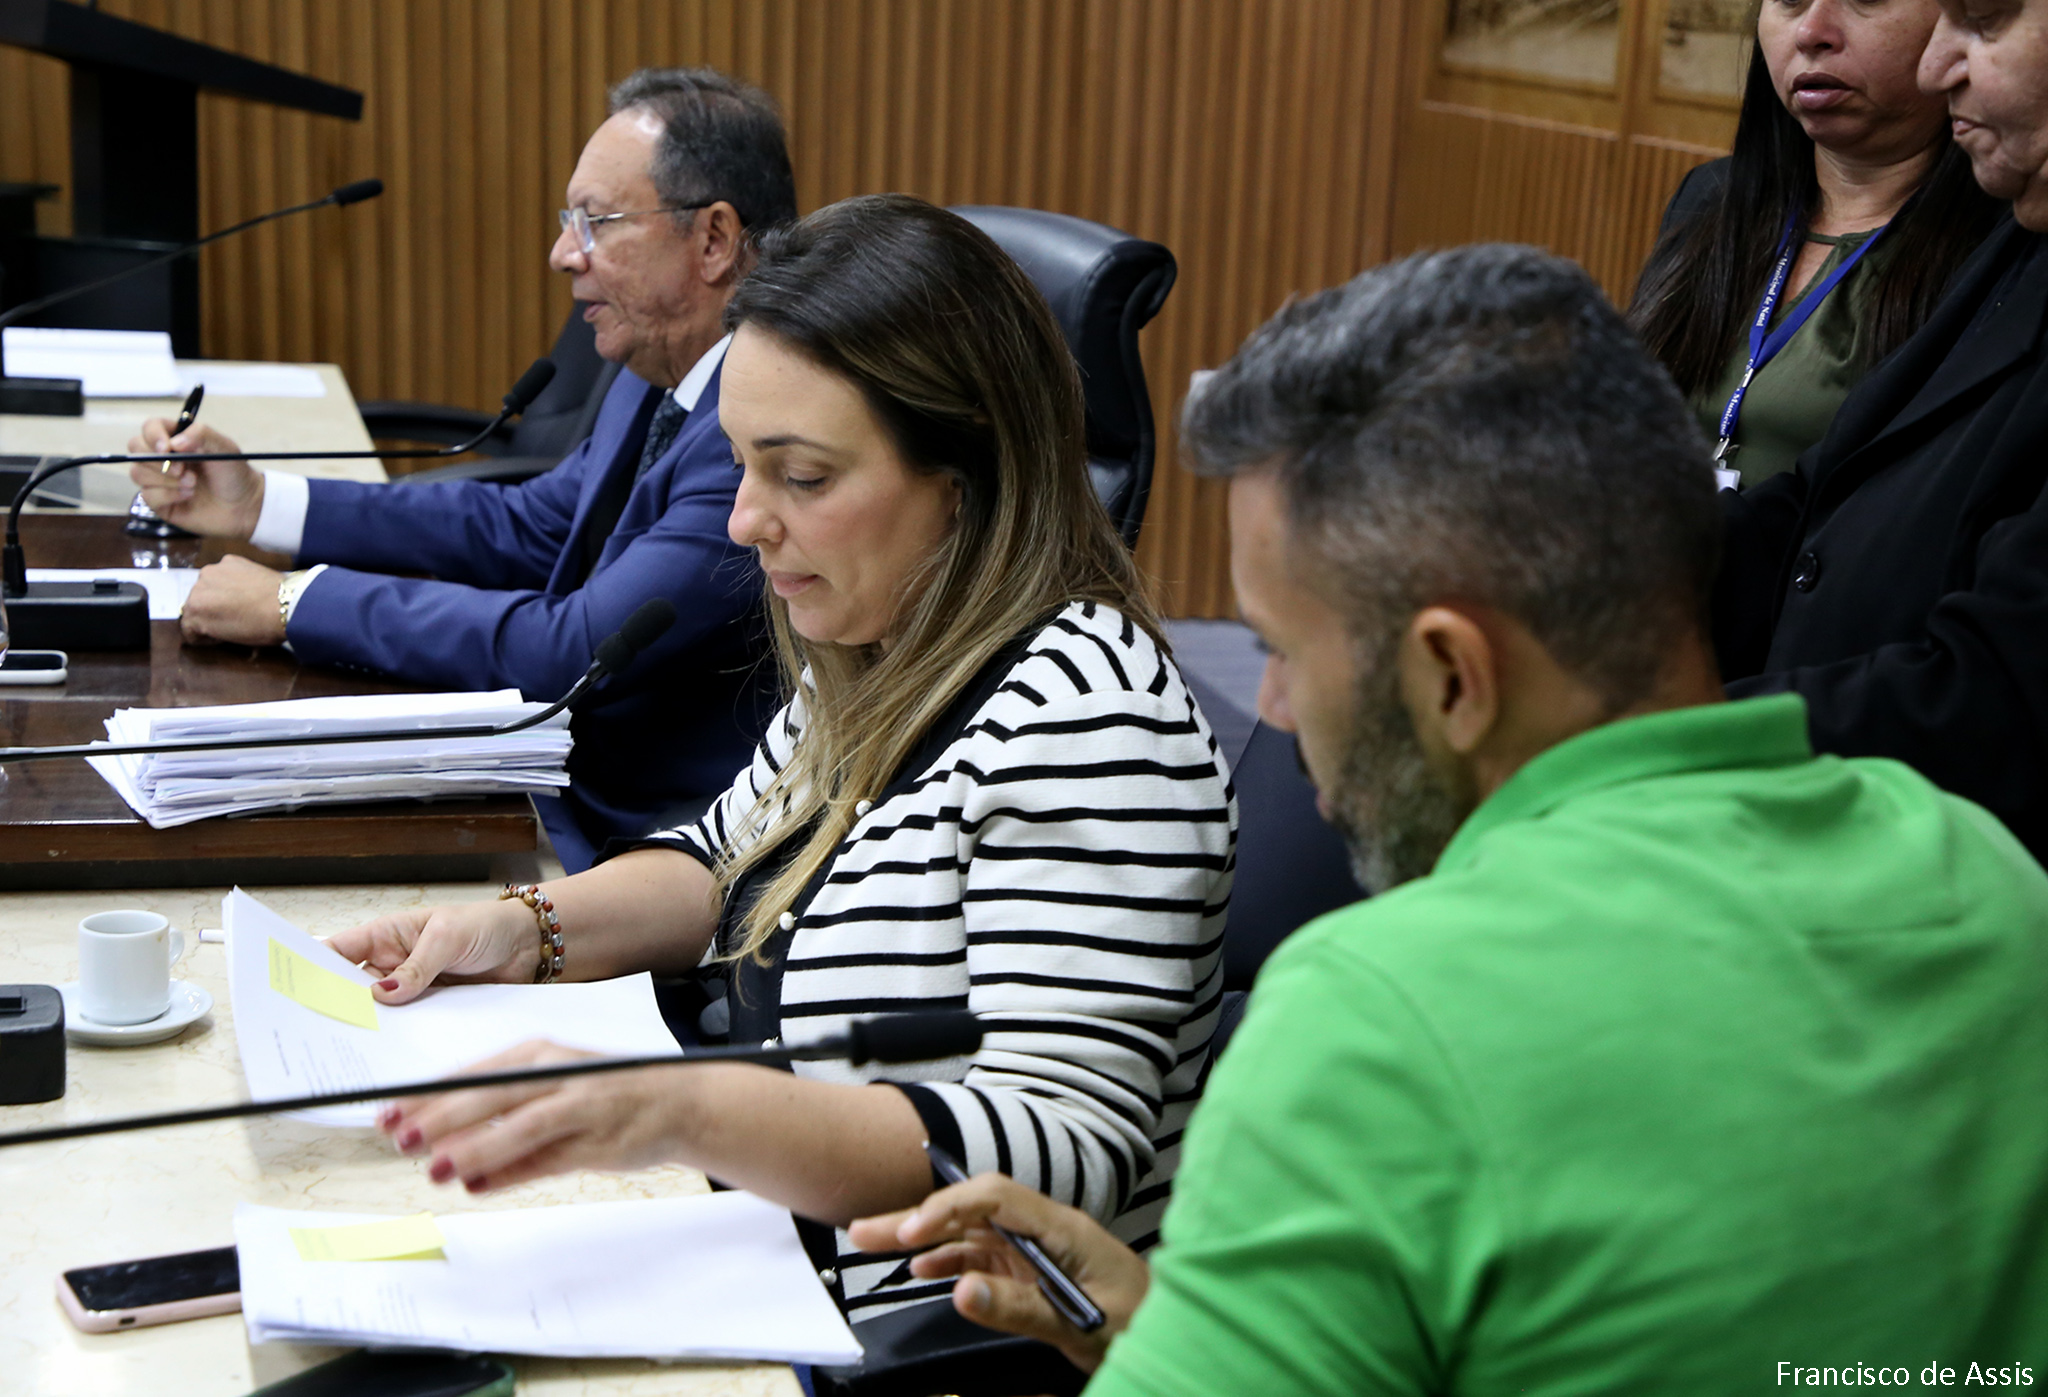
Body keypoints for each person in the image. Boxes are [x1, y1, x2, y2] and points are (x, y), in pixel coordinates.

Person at [848, 245, 2048, 1391]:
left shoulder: (1378, 1013)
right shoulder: (1983, 880)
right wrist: (1196, 1330)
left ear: (1449, 675)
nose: (1268, 705)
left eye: (1278, 647)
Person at [329, 194, 1234, 1318]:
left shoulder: (1093, 724)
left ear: (969, 476)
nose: (743, 520)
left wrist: (678, 1106)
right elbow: (724, 861)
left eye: (801, 477)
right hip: (769, 1252)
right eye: (741, 466)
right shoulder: (882, 642)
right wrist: (525, 926)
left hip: (915, 1336)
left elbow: (1056, 1151)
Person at [125, 67, 796, 871]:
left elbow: (574, 646)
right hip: (541, 780)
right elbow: (531, 525)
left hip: (642, 843)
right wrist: (261, 503)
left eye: (595, 222)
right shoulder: (656, 371)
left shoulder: (758, 434)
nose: (562, 254)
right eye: (568, 222)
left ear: (713, 239)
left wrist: (295, 601)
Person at [1713, 0, 2048, 867]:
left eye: (1983, 22)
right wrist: (1575, 581)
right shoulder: (2028, 232)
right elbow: (1816, 501)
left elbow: (1998, 699)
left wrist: (1672, 730)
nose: (1937, 67)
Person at [1629, 0, 2000, 486]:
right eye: (1789, 0)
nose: (1810, 31)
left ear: (1962, 20)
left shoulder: (2005, 248)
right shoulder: (1709, 198)